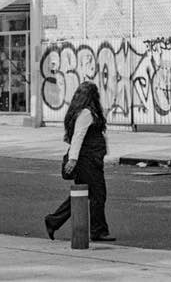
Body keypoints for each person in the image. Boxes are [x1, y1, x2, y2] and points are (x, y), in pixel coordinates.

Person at [44, 82, 114, 241]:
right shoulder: (86, 113)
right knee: (98, 194)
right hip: (87, 160)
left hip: (88, 159)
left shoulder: (83, 112)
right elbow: (78, 137)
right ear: (92, 96)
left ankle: (53, 221)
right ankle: (98, 230)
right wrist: (73, 159)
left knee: (80, 195)